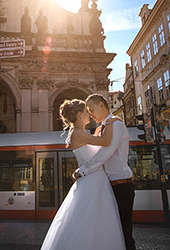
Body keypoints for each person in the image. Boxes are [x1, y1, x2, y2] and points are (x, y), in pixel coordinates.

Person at [41, 99, 125, 250]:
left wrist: (99, 130)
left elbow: (96, 148)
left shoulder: (81, 133)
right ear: (80, 115)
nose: (90, 114)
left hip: (93, 179)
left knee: (93, 221)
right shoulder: (78, 134)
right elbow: (106, 141)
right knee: (95, 220)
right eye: (87, 112)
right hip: (93, 181)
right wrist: (110, 121)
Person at [74, 93, 136, 250]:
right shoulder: (102, 129)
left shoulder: (117, 125)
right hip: (108, 186)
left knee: (124, 232)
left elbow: (104, 154)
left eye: (92, 109)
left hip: (121, 185)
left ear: (102, 105)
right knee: (112, 233)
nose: (91, 114)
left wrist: (83, 170)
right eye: (88, 111)